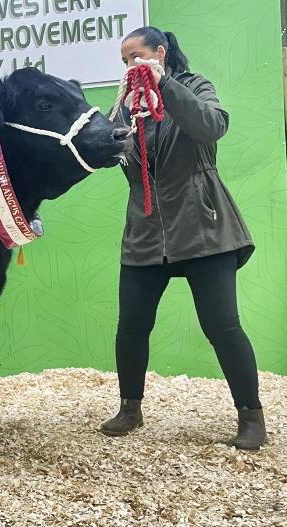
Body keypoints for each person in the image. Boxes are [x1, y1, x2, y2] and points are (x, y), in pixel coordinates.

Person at [101, 26, 266, 449]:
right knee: (131, 326)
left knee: (222, 325)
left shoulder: (194, 86)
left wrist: (165, 87)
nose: (130, 67)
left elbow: (212, 126)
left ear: (160, 53)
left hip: (204, 227)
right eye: (125, 61)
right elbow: (107, 152)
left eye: (137, 57)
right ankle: (130, 408)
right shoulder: (125, 106)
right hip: (144, 232)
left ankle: (251, 418)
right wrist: (114, 128)